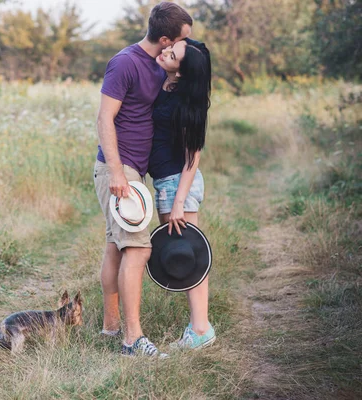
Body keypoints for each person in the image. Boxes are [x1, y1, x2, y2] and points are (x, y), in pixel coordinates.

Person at [94, 2, 192, 357]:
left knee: (115, 246)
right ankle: (132, 341)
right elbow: (105, 119)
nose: (181, 48)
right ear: (164, 38)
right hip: (117, 169)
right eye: (180, 41)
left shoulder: (157, 66)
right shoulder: (124, 63)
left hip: (135, 169)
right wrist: (118, 172)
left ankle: (110, 327)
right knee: (138, 247)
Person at [148, 38, 216, 349]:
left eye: (172, 55)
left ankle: (201, 331)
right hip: (165, 182)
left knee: (190, 255)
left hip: (178, 184)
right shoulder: (167, 83)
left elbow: (192, 158)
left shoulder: (188, 102)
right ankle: (199, 328)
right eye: (168, 47)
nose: (164, 53)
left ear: (182, 70)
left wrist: (178, 203)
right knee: (182, 253)